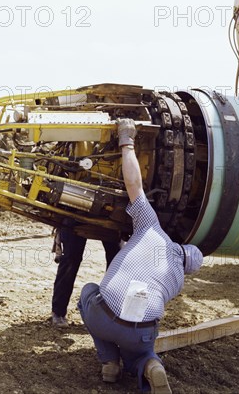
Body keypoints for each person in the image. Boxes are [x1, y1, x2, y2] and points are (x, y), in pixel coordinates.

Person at [77, 118, 204, 393]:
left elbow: (134, 184)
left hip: (103, 313)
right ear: (186, 267)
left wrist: (126, 140)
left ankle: (109, 362)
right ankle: (149, 365)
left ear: (181, 246)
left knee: (88, 291)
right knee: (142, 345)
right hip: (139, 330)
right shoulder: (177, 281)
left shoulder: (151, 227)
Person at [51, 221, 120, 327]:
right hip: (75, 211)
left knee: (115, 260)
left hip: (110, 215)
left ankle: (111, 313)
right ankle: (58, 312)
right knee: (70, 258)